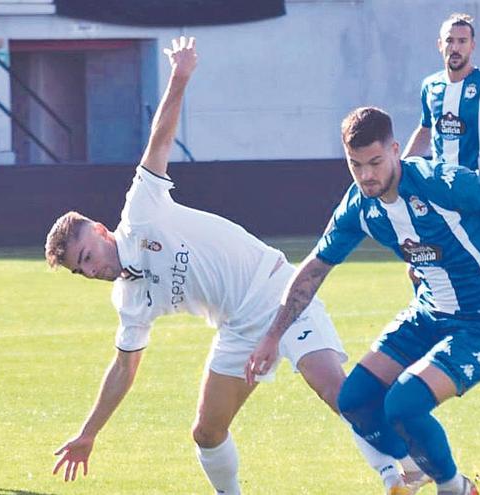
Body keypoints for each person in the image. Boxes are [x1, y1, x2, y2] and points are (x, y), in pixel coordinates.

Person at [47, 38, 409, 495]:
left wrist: (179, 79)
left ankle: (401, 472)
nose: (91, 270)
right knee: (206, 432)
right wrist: (89, 432)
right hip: (238, 328)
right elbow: (124, 369)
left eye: (86, 257)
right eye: (81, 271)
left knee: (335, 391)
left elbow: (159, 140)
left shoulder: (140, 213)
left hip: (277, 290)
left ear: (100, 231)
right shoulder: (129, 299)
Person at [247, 107, 480, 495]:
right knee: (354, 400)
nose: (366, 175)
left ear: (396, 151)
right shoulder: (359, 206)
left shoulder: (440, 182)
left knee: (403, 405)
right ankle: (413, 467)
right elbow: (314, 269)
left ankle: (456, 488)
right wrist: (273, 335)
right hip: (429, 313)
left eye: (375, 162)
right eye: (355, 165)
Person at [402, 13, 480, 176]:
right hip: (441, 187)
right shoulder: (430, 86)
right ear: (440, 45)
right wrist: (401, 168)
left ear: (472, 45)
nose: (455, 48)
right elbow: (425, 129)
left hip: (477, 190)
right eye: (449, 40)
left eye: (462, 41)